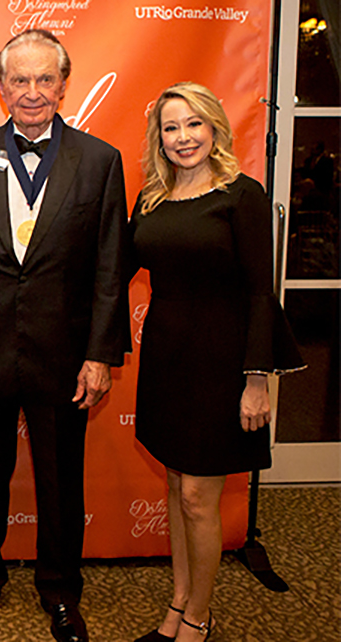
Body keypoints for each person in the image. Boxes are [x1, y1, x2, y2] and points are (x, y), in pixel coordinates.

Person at [0, 29, 130, 642]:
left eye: (46, 79)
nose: (33, 92)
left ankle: (62, 590)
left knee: (61, 481)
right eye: (20, 79)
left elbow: (109, 265)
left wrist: (100, 354)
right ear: (1, 86)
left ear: (64, 86)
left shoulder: (100, 159)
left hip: (64, 354)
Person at [129, 82, 304, 642]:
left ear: (215, 129)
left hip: (221, 363)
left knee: (200, 499)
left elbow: (260, 292)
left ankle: (198, 621)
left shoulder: (241, 194)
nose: (183, 138)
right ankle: (180, 603)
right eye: (171, 128)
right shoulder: (152, 197)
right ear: (159, 138)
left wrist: (257, 380)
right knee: (178, 487)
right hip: (166, 358)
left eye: (193, 125)